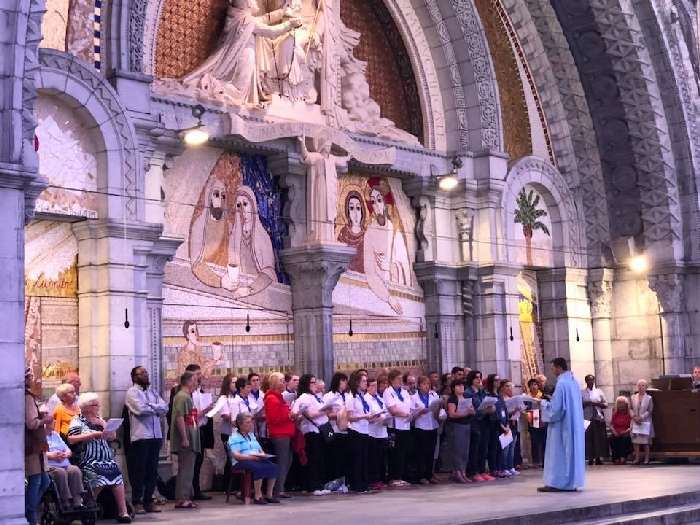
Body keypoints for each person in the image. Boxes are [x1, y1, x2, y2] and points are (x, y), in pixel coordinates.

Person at [67, 392, 132, 522]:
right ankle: (90, 502)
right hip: (90, 458)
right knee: (101, 475)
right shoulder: (78, 420)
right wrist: (92, 435)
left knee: (117, 476)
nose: (98, 406)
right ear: (87, 407)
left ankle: (123, 512)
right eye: (96, 405)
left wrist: (106, 428)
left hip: (106, 457)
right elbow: (71, 439)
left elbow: (112, 437)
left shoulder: (99, 419)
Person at [125, 366, 168, 514]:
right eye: (141, 373)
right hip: (141, 435)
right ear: (134, 377)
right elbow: (140, 410)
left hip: (156, 435)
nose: (145, 375)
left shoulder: (152, 392)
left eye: (146, 372)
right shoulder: (132, 393)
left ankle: (148, 501)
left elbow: (165, 408)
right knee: (140, 470)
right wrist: (155, 409)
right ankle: (137, 501)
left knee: (152, 470)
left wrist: (151, 405)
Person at [537, 357, 585, 492]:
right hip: (573, 423)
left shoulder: (562, 383)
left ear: (559, 368)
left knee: (558, 452)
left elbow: (556, 409)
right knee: (570, 452)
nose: (552, 371)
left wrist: (543, 403)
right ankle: (570, 482)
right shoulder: (574, 382)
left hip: (561, 426)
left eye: (553, 368)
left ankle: (557, 483)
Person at [228, 413, 279, 505]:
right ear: (240, 424)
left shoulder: (251, 436)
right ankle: (257, 495)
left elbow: (260, 450)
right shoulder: (234, 437)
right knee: (259, 468)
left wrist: (262, 456)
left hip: (255, 459)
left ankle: (269, 495)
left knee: (273, 467)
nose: (250, 424)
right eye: (247, 422)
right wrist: (251, 457)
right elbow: (237, 455)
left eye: (251, 422)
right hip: (241, 461)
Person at [295, 374, 333, 495]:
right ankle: (312, 486)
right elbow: (310, 414)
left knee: (320, 458)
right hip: (311, 430)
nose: (315, 384)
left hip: (320, 430)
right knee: (313, 458)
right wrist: (325, 411)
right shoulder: (304, 397)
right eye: (313, 382)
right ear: (307, 384)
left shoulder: (315, 397)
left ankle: (319, 484)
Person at [170, 371, 201, 509]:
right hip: (186, 439)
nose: (197, 382)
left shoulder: (187, 396)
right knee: (185, 469)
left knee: (189, 468)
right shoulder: (182, 397)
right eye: (195, 380)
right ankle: (182, 498)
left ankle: (186, 496)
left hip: (191, 437)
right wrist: (184, 438)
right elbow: (179, 418)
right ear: (189, 382)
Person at [25, 365, 52, 525]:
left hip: (35, 445)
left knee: (44, 481)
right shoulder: (27, 397)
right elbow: (31, 423)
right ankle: (30, 515)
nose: (32, 379)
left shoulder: (27, 396)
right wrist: (44, 420)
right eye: (29, 376)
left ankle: (29, 510)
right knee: (36, 481)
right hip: (33, 445)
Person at [346, 371, 378, 493]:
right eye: (363, 381)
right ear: (357, 383)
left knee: (365, 458)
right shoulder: (351, 397)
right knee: (357, 459)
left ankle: (364, 483)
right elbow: (349, 417)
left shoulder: (362, 396)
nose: (366, 383)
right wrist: (364, 416)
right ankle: (357, 484)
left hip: (365, 430)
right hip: (356, 430)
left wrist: (371, 417)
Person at [264, 372, 296, 499]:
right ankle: (278, 490)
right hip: (279, 434)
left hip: (287, 432)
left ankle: (280, 487)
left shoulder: (281, 398)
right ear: (274, 383)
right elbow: (274, 418)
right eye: (281, 381)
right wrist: (289, 416)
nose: (284, 383)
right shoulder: (272, 399)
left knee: (288, 461)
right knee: (282, 462)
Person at [383, 368, 412, 486]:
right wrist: (406, 414)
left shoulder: (404, 392)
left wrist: (410, 413)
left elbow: (410, 406)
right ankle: (393, 477)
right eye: (398, 379)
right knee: (395, 453)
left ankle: (401, 476)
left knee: (403, 452)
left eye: (401, 379)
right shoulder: (388, 392)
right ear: (391, 380)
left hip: (406, 425)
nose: (400, 381)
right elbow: (393, 409)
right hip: (395, 426)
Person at [45, 424, 83, 511]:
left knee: (75, 470)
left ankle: (77, 502)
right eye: (51, 422)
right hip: (50, 466)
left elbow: (68, 450)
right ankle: (65, 502)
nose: (54, 422)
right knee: (60, 472)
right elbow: (40, 453)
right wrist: (52, 455)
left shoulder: (55, 435)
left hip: (64, 463)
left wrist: (65, 454)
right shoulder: (40, 436)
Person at [465, 370, 494, 482]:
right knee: (475, 448)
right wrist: (484, 411)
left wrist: (491, 408)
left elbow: (486, 403)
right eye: (476, 377)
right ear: (471, 379)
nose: (479, 379)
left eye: (480, 377)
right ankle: (474, 472)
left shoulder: (482, 391)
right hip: (474, 422)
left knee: (483, 447)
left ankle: (482, 471)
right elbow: (471, 410)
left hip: (485, 421)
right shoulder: (468, 392)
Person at [411, 375, 440, 485]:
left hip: (432, 425)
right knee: (422, 452)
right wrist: (420, 412)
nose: (427, 386)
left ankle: (429, 475)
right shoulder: (414, 397)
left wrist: (438, 407)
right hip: (421, 426)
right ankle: (422, 476)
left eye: (428, 384)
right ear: (419, 386)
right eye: (424, 384)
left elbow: (437, 410)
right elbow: (412, 414)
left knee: (431, 452)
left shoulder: (433, 395)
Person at [446, 379, 475, 483]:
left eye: (462, 385)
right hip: (456, 425)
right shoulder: (452, 399)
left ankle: (463, 472)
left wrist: (472, 411)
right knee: (457, 449)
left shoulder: (466, 397)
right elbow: (452, 414)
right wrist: (464, 414)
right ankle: (457, 473)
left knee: (465, 450)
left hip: (466, 424)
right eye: (458, 385)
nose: (461, 387)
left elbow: (472, 410)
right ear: (453, 388)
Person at [324, 371, 350, 488]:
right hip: (334, 429)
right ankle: (334, 481)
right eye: (343, 381)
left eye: (346, 381)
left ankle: (344, 481)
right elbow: (326, 413)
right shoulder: (329, 396)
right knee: (336, 457)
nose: (345, 383)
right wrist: (341, 414)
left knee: (345, 458)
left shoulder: (347, 396)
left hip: (346, 429)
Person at [366, 377, 389, 490]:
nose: (375, 388)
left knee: (380, 457)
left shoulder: (379, 398)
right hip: (372, 432)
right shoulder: (366, 399)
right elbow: (368, 415)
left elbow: (384, 411)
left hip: (382, 430)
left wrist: (385, 417)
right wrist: (378, 417)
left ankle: (379, 479)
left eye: (376, 385)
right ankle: (373, 480)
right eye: (372, 386)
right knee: (373, 458)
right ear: (367, 387)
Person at [582, 374, 608, 466]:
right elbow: (579, 404)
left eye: (592, 380)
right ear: (586, 381)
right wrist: (586, 403)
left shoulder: (598, 391)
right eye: (588, 380)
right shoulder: (582, 392)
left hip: (598, 416)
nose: (590, 381)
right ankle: (590, 457)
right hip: (587, 416)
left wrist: (597, 404)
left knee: (598, 438)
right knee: (589, 438)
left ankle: (598, 457)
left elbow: (605, 404)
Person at [630, 379, 654, 465]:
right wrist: (634, 417)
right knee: (636, 441)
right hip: (635, 421)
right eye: (639, 385)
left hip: (644, 421)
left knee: (645, 442)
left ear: (646, 387)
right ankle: (637, 458)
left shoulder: (649, 398)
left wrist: (641, 417)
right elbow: (630, 408)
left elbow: (650, 410)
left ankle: (646, 459)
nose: (640, 387)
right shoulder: (633, 397)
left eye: (643, 385)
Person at [526, 378, 546, 468]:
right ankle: (535, 461)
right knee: (534, 442)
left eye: (535, 385)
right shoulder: (527, 397)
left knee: (544, 442)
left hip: (543, 420)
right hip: (532, 421)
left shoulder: (543, 395)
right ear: (529, 387)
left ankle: (544, 461)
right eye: (531, 385)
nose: (534, 387)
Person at [608, 396, 633, 464]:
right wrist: (614, 432)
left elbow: (632, 425)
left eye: (622, 403)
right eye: (619, 403)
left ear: (626, 404)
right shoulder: (615, 413)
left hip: (627, 432)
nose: (620, 405)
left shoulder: (629, 413)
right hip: (616, 432)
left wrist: (626, 431)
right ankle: (616, 458)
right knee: (612, 438)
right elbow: (611, 424)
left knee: (625, 439)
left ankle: (623, 457)